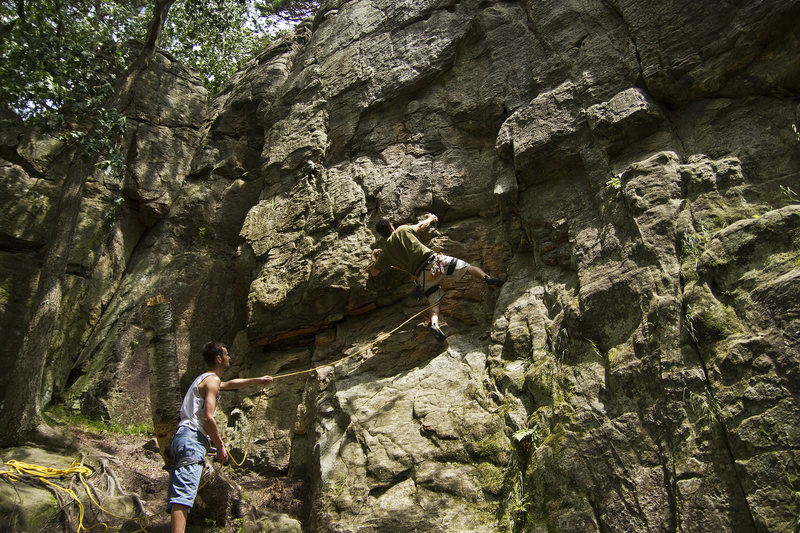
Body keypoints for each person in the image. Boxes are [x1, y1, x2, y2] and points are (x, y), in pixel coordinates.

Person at [167, 341, 273, 533]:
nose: (229, 358)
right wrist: (220, 445)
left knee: (181, 494)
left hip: (182, 437)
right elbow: (208, 417)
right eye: (227, 355)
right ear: (219, 358)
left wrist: (258, 380)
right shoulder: (212, 381)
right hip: (192, 438)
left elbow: (229, 384)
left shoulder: (207, 379)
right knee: (182, 498)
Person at [368, 213, 504, 341]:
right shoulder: (402, 230)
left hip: (422, 276)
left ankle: (434, 323)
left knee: (434, 302)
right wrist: (431, 218)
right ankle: (487, 278)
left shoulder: (386, 253)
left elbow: (373, 272)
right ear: (392, 227)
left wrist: (374, 256)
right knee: (468, 268)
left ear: (382, 235)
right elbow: (420, 226)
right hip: (435, 262)